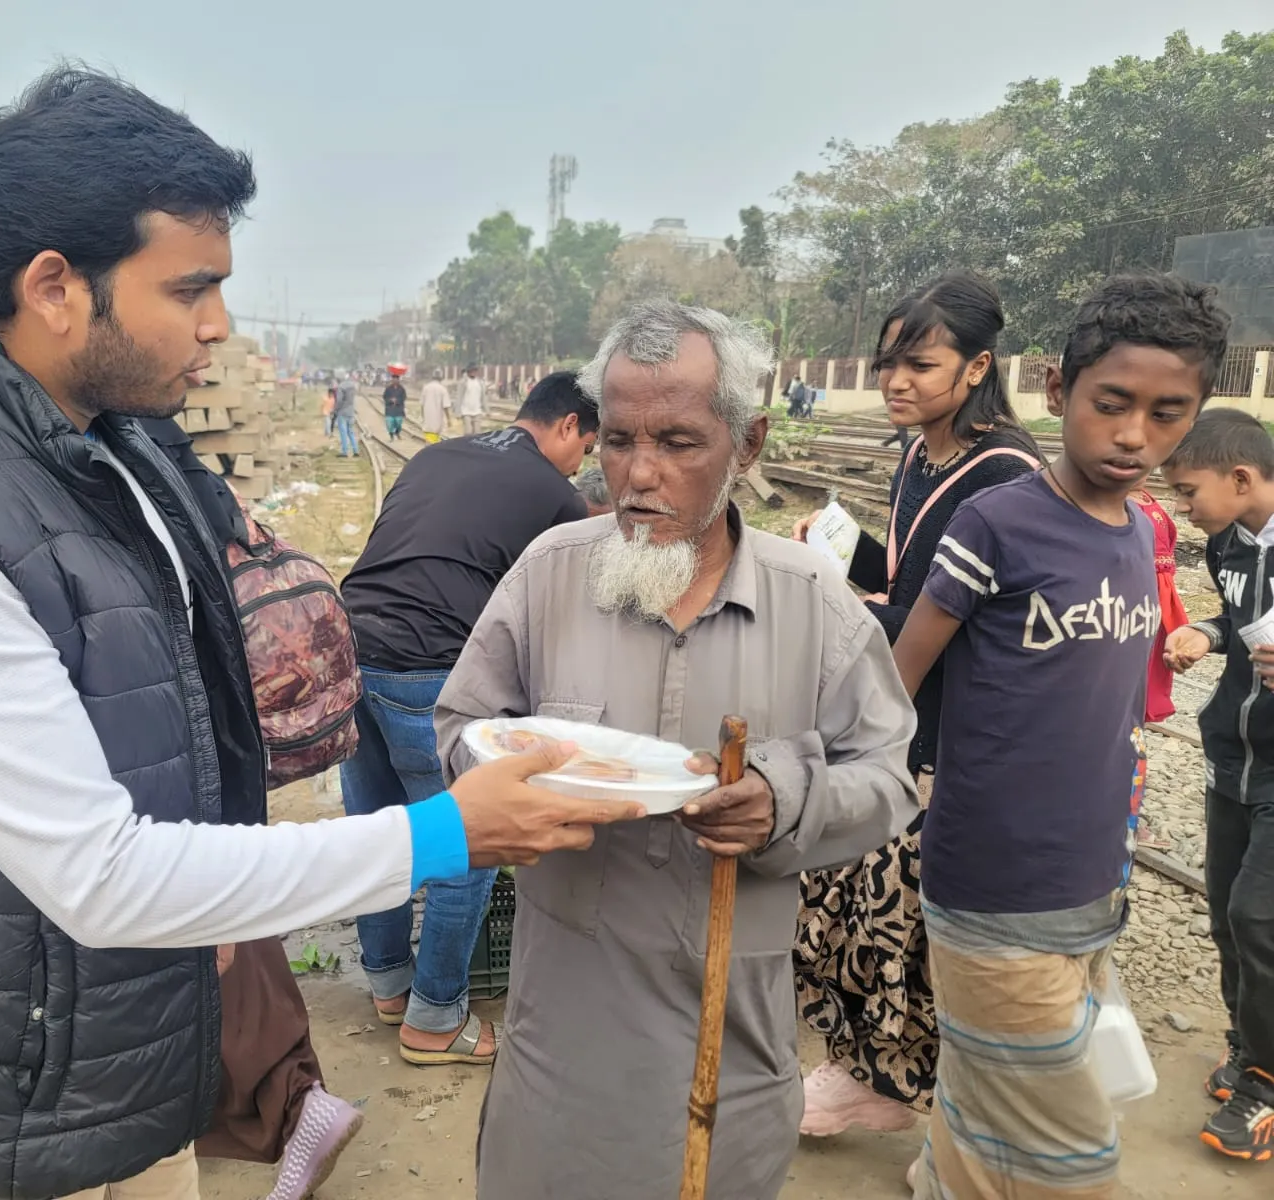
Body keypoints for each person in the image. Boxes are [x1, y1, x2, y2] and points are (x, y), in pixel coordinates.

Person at [0, 67, 643, 1200]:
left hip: (124, 1021)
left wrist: (222, 893)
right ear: (54, 287)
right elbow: (94, 874)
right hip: (7, 1077)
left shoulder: (113, 440)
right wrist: (441, 836)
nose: (221, 326)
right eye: (191, 288)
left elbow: (169, 694)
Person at [435, 299, 920, 1200]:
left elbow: (888, 775)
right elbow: (462, 727)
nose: (638, 476)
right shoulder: (549, 571)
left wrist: (784, 799)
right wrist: (506, 778)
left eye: (678, 442)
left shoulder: (811, 597)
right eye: (617, 440)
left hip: (731, 1045)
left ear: (750, 443)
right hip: (562, 1044)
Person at [892, 272, 1230, 1200]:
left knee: (982, 1094)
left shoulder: (1134, 530)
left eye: (1168, 415)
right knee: (1073, 1157)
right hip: (998, 889)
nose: (1134, 436)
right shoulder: (998, 522)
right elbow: (900, 676)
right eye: (1112, 404)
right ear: (1056, 390)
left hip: (1089, 881)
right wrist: (895, 784)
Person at [789, 273, 1041, 1137]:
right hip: (903, 708)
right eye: (888, 361)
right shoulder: (922, 453)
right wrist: (846, 552)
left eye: (919, 364)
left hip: (954, 724)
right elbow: (914, 584)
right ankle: (875, 1077)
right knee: (861, 906)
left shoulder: (1006, 475)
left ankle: (930, 1105)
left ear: (978, 367)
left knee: (911, 926)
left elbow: (974, 625)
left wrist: (855, 606)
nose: (896, 380)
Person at [340, 370, 599, 1068]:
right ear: (570, 425)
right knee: (467, 845)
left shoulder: (438, 453)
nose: (584, 464)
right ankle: (433, 1020)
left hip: (348, 651)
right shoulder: (555, 494)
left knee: (383, 831)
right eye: (589, 446)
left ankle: (390, 983)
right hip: (426, 668)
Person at [1161, 408, 1274, 1162]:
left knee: (1257, 916)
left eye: (1188, 491)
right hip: (1231, 756)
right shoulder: (1226, 542)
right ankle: (1246, 1046)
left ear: (1240, 479)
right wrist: (1209, 628)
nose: (1182, 507)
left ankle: (1264, 1086)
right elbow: (1248, 617)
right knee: (1229, 917)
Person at [1131, 484, 1187, 724]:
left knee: (1159, 645)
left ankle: (1149, 702)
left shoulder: (1145, 497)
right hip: (1137, 584)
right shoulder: (1117, 501)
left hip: (1163, 585)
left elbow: (1170, 537)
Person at [419, 367, 451, 443]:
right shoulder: (443, 389)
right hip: (438, 421)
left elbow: (422, 405)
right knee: (435, 441)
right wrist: (449, 419)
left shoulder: (426, 388)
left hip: (428, 420)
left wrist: (423, 416)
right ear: (441, 378)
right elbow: (446, 406)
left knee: (429, 441)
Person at [333, 370, 358, 457]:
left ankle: (345, 451)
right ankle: (356, 450)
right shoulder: (352, 386)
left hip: (343, 412)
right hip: (351, 411)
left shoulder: (341, 387)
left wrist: (335, 410)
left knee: (343, 432)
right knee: (350, 432)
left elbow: (339, 401)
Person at [458, 362, 485, 436]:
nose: (473, 372)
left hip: (477, 411)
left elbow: (483, 397)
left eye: (475, 370)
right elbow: (459, 397)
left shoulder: (480, 382)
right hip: (466, 411)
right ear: (468, 371)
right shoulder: (463, 382)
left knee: (477, 433)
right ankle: (466, 446)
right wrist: (457, 411)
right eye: (471, 370)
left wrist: (487, 409)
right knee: (468, 432)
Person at [382, 373, 406, 440]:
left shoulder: (402, 389)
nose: (395, 380)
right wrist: (390, 400)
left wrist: (397, 400)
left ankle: (397, 432)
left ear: (398, 380)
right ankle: (391, 435)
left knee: (398, 422)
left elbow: (404, 398)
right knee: (390, 423)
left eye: (396, 379)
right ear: (392, 380)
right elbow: (384, 397)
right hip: (390, 409)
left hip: (399, 409)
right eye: (393, 379)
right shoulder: (388, 388)